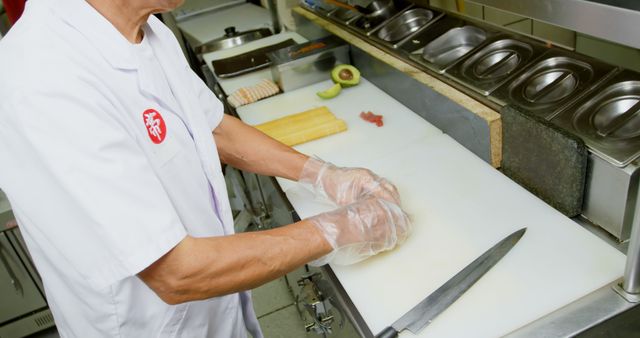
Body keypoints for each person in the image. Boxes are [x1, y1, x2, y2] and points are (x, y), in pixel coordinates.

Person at [0, 0, 411, 337]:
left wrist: (323, 174)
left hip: (217, 309)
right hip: (150, 326)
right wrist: (338, 229)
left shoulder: (149, 29)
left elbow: (211, 127)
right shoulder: (44, 78)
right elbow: (176, 273)